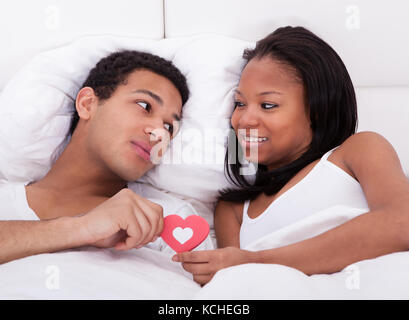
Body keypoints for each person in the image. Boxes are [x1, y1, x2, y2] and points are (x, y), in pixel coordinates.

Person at [172, 26, 409, 286]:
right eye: (240, 103)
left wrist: (256, 261)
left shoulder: (358, 151)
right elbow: (233, 286)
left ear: (316, 109)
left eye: (268, 105)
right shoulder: (233, 210)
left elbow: (402, 224)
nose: (244, 119)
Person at [0, 50, 189, 264]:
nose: (159, 133)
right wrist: (80, 228)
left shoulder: (171, 220)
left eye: (169, 127)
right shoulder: (4, 202)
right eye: (145, 106)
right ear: (87, 103)